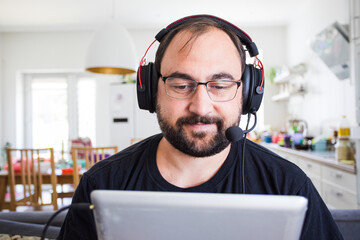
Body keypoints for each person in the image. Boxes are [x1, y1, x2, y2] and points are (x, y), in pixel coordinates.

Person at [58, 15, 343, 240]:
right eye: (181, 85)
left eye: (220, 86)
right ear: (151, 92)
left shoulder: (286, 185)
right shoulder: (103, 184)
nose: (201, 107)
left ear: (247, 94)